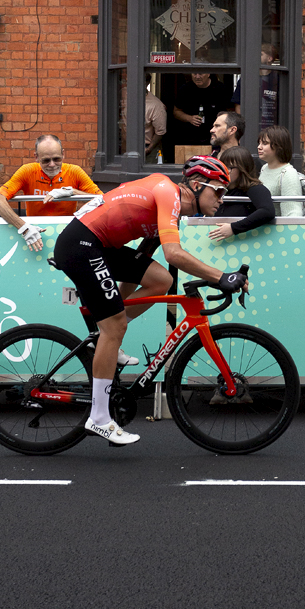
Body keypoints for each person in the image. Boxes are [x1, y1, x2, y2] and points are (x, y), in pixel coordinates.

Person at [52, 155, 246, 446]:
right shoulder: (169, 194)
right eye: (218, 190)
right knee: (114, 327)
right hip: (81, 244)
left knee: (160, 281)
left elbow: (141, 262)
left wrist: (113, 310)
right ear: (196, 185)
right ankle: (100, 418)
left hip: (95, 244)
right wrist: (220, 277)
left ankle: (103, 336)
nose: (222, 198)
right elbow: (174, 255)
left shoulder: (171, 205)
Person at [0, 135, 102, 253]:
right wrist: (24, 228)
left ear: (63, 154)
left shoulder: (74, 171)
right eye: (46, 160)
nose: (52, 164)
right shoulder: (27, 171)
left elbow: (103, 201)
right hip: (35, 235)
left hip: (67, 234)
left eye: (57, 159)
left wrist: (73, 192)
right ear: (36, 157)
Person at [208, 145, 276, 242]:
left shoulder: (255, 189)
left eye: (229, 168)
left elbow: (267, 211)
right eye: (222, 167)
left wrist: (233, 228)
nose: (224, 172)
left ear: (243, 169)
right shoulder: (221, 190)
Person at [170, 71, 232, 152]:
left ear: (208, 74)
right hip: (189, 138)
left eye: (201, 74)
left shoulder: (220, 89)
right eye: (194, 73)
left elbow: (231, 112)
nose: (197, 76)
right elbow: (176, 112)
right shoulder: (185, 89)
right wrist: (189, 118)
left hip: (215, 138)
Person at [231, 44, 280, 128]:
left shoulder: (278, 79)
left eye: (261, 54)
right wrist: (243, 124)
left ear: (269, 58)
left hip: (272, 125)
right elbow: (238, 105)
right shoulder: (247, 78)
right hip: (251, 124)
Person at [258, 125, 302, 217]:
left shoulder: (288, 173)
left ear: (279, 146)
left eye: (265, 143)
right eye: (259, 143)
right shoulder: (264, 168)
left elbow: (293, 212)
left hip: (277, 230)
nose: (259, 147)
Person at [145, 75, 167, 162]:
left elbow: (160, 132)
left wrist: (148, 149)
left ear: (146, 83)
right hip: (124, 147)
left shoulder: (156, 105)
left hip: (148, 148)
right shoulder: (123, 98)